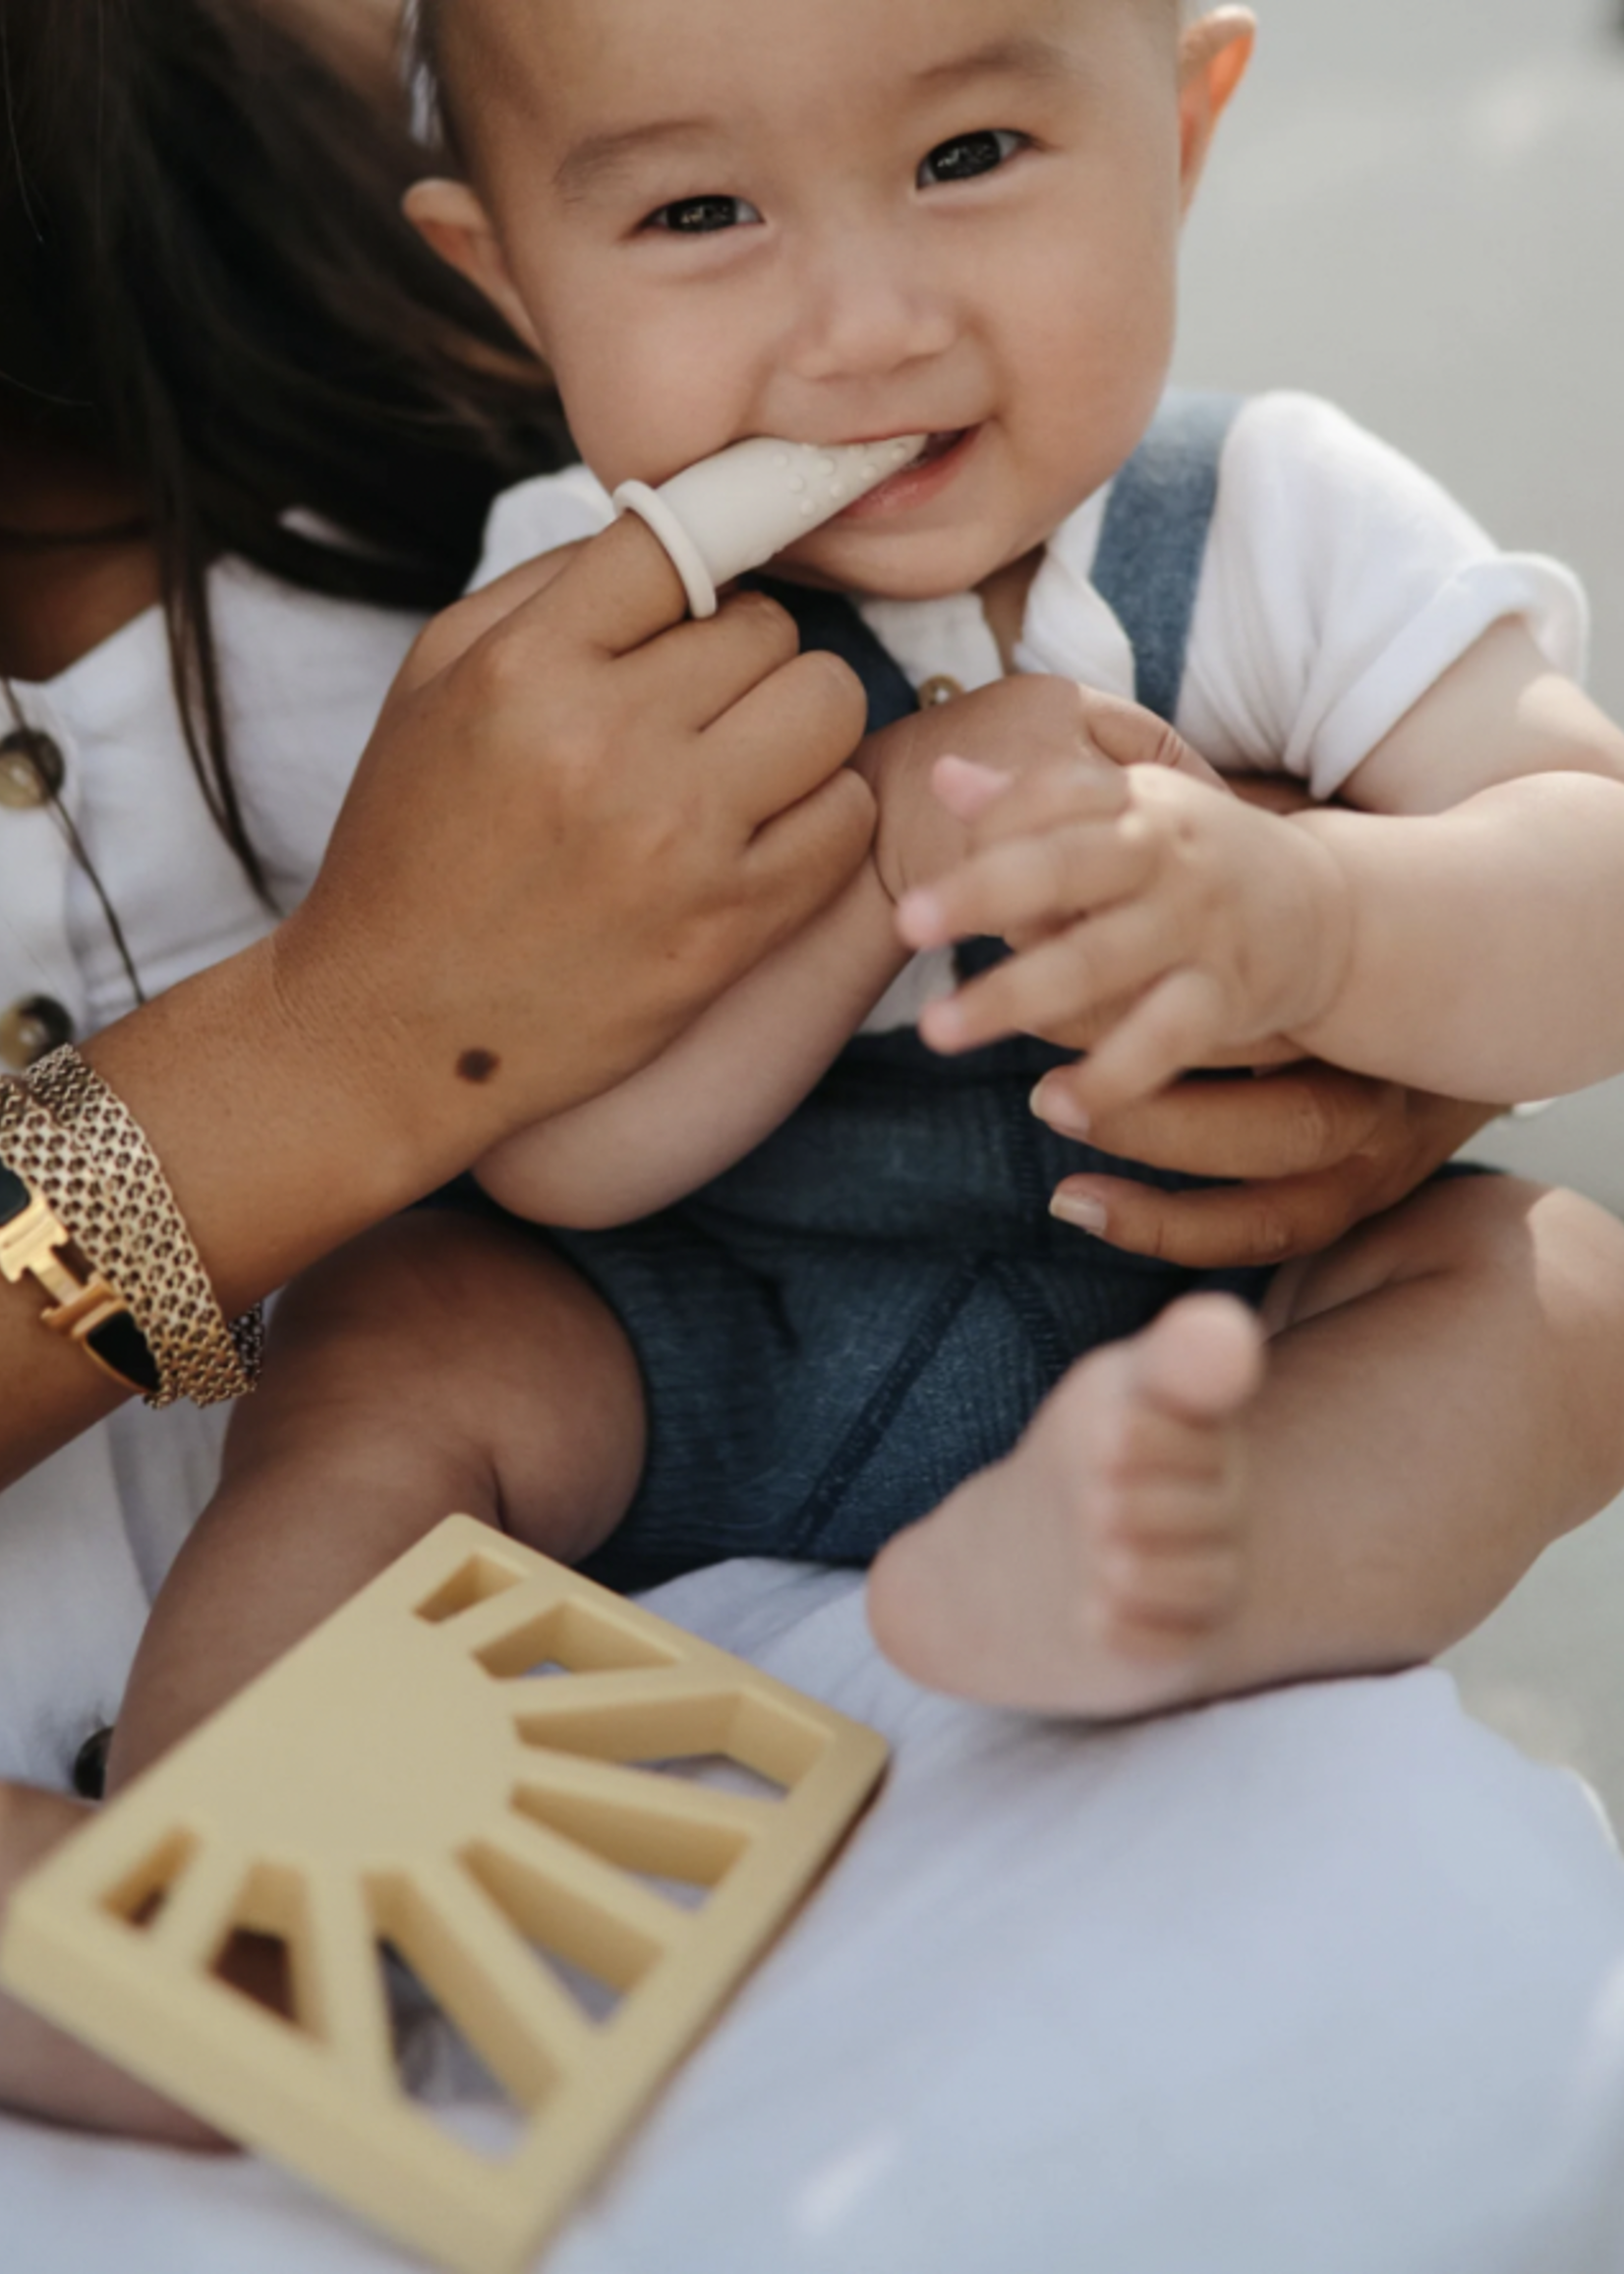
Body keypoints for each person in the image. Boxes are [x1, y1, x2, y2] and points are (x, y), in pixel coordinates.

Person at [0, 0, 1589, 2187]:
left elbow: (1581, 882)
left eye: (968, 162)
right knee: (395, 1350)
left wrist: (1325, 929)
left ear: (1191, 124)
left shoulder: (1270, 516)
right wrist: (879, 848)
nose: (862, 325)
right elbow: (555, 1143)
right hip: (680, 1336)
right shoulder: (568, 596)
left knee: (1560, 1291)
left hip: (1158, 1331)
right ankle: (252, 1847)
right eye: (699, 213)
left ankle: (1177, 1579)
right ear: (507, 281)